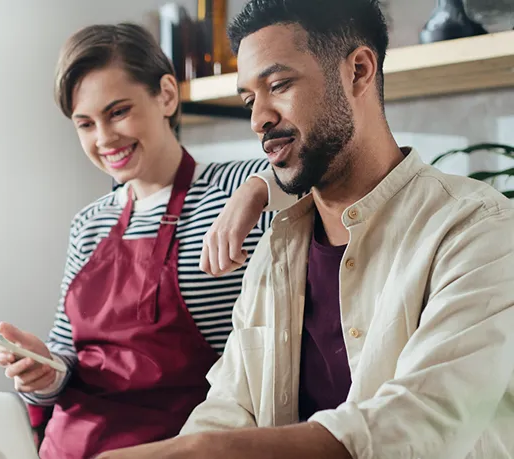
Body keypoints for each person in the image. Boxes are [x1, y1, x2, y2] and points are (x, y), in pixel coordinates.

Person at [97, 1, 514, 458]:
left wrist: (205, 450)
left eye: (278, 85)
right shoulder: (277, 246)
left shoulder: (474, 229)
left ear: (358, 70)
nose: (259, 119)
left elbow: (421, 420)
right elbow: (231, 403)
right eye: (248, 99)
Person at [0, 23, 298, 459]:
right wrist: (43, 372)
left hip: (177, 448)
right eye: (85, 123)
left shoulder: (235, 190)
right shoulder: (89, 224)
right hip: (66, 448)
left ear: (167, 95)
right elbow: (67, 363)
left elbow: (316, 179)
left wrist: (256, 190)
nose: (104, 138)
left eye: (117, 112)